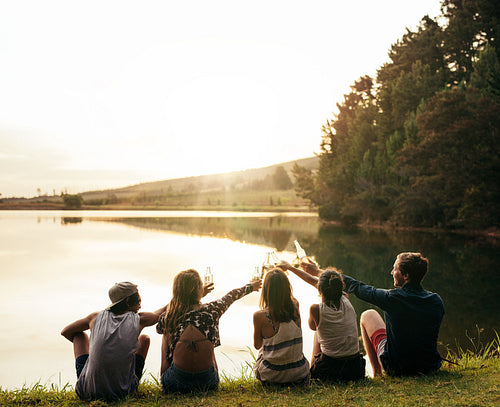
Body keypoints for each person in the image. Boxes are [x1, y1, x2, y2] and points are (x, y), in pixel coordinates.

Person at [294, 252, 444, 377]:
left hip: (398, 368)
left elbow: (357, 286)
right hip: (430, 366)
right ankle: (378, 372)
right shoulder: (436, 301)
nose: (392, 272)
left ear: (405, 275)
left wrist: (318, 272)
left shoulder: (392, 299)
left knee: (367, 315)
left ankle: (378, 373)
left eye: (395, 269)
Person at [156, 269, 261, 393]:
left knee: (166, 333)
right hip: (207, 383)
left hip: (176, 384)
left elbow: (157, 321)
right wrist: (251, 287)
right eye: (201, 285)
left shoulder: (169, 316)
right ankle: (212, 372)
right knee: (206, 335)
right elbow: (231, 296)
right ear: (197, 290)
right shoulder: (212, 310)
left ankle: (164, 378)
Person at [61, 282, 166, 401]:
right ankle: (132, 387)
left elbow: (66, 331)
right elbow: (160, 312)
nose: (140, 306)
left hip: (87, 391)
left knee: (79, 336)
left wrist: (95, 347)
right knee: (144, 339)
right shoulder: (139, 320)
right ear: (127, 301)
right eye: (138, 301)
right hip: (123, 392)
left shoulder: (94, 317)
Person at [252, 268, 310, 385]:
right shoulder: (295, 305)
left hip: (272, 375)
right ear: (287, 288)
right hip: (299, 372)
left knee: (263, 350)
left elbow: (257, 345)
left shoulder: (260, 316)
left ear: (266, 291)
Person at [308, 268, 365, 382]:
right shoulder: (346, 299)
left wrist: (291, 268)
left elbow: (312, 327)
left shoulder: (315, 309)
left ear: (319, 289)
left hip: (328, 372)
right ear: (340, 287)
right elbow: (324, 285)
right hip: (355, 371)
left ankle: (311, 372)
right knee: (323, 328)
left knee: (317, 332)